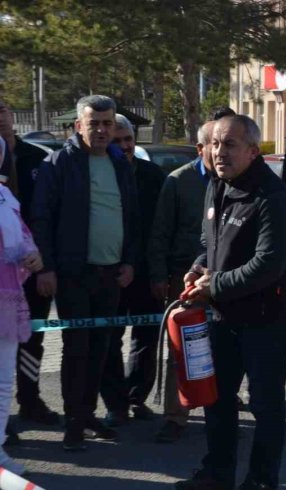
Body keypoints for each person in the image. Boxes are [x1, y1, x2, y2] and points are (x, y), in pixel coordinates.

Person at [174, 115, 286, 490]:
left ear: (252, 150)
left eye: (228, 145)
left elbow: (268, 265)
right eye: (214, 144)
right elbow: (210, 245)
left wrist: (215, 285)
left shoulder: (274, 198)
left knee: (264, 403)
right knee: (218, 398)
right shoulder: (216, 185)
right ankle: (218, 473)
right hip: (221, 316)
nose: (218, 152)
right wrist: (197, 268)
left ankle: (261, 481)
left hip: (266, 318)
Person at [31, 95, 140, 452]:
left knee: (103, 347)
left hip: (111, 274)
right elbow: (42, 219)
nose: (102, 130)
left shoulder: (120, 163)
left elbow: (130, 216)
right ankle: (73, 424)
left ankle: (89, 413)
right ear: (79, 125)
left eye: (107, 123)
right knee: (77, 349)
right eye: (94, 123)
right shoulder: (58, 163)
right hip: (73, 274)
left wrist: (128, 261)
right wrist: (46, 268)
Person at [147, 121, 214, 443]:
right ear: (200, 149)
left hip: (223, 281)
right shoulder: (179, 181)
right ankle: (175, 416)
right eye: (213, 144)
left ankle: (221, 412)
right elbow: (160, 232)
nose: (220, 150)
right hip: (184, 280)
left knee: (223, 347)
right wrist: (159, 275)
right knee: (180, 352)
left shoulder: (238, 181)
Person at [0, 98, 61, 436]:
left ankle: (30, 399)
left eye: (2, 109)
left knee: (33, 338)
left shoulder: (39, 159)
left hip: (33, 264)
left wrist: (45, 267)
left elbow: (48, 217)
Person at [100, 115, 166, 425]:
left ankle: (137, 396)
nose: (125, 146)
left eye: (129, 139)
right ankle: (116, 404)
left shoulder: (154, 175)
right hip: (109, 272)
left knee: (146, 337)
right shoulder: (98, 176)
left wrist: (157, 274)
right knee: (109, 339)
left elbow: (163, 228)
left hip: (147, 272)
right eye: (118, 140)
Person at [0, 136, 45, 473]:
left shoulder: (5, 196)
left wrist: (32, 255)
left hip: (7, 299)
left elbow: (24, 237)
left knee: (2, 381)